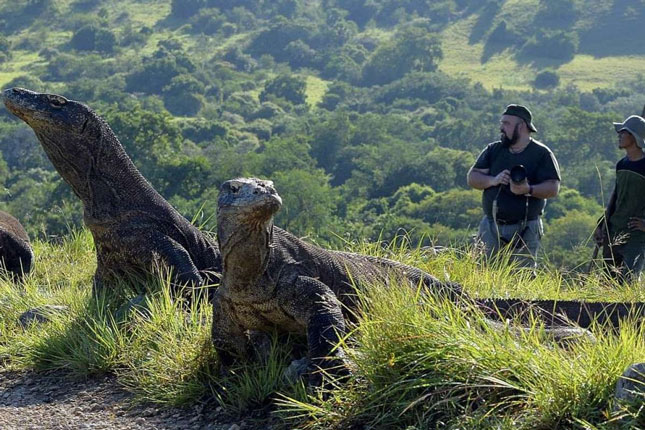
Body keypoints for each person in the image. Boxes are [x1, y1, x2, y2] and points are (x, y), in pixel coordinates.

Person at [467, 104, 561, 269]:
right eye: (502, 123)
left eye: (506, 124)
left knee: (521, 277)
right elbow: (472, 177)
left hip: (526, 228)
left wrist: (528, 189)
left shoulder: (542, 154)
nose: (501, 128)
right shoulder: (493, 150)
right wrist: (493, 180)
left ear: (522, 126)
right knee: (482, 274)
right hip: (491, 226)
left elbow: (553, 188)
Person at [594, 115, 645, 283]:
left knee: (628, 283)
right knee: (609, 283)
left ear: (634, 136)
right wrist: (603, 224)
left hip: (636, 236)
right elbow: (615, 198)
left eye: (623, 132)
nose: (619, 135)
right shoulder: (621, 164)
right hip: (614, 230)